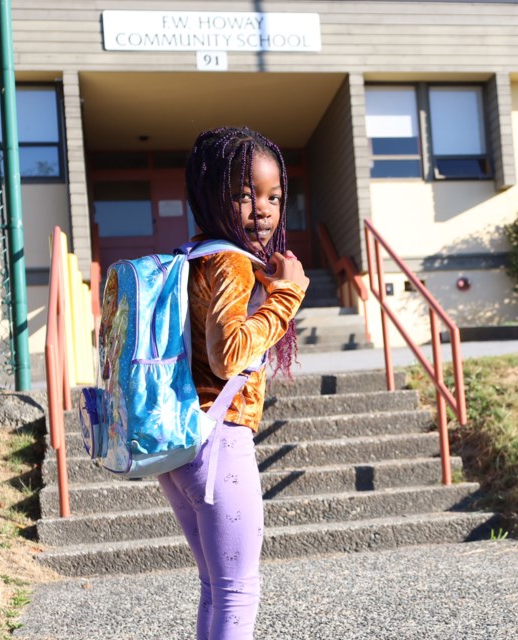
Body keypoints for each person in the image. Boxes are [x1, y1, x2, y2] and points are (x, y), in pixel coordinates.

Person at [156, 126, 309, 639]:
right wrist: (285, 296)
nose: (262, 210)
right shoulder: (230, 261)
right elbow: (229, 356)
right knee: (238, 591)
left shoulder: (193, 254)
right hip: (219, 442)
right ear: (212, 195)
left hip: (184, 441)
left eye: (273, 196)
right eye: (244, 195)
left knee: (216, 587)